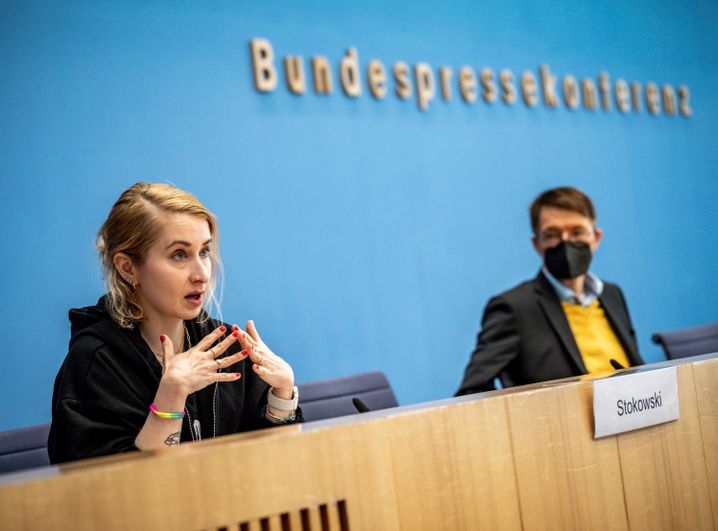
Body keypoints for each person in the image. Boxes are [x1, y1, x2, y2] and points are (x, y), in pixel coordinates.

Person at [49, 183, 302, 463]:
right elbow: (104, 495)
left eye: (204, 252)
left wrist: (282, 396)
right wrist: (169, 398)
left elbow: (273, 472)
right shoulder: (94, 362)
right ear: (127, 268)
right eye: (179, 255)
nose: (202, 274)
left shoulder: (228, 347)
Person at [456, 186, 643, 395]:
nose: (565, 243)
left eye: (577, 232)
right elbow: (471, 392)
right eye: (552, 235)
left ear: (596, 238)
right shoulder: (514, 308)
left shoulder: (612, 295)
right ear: (536, 244)